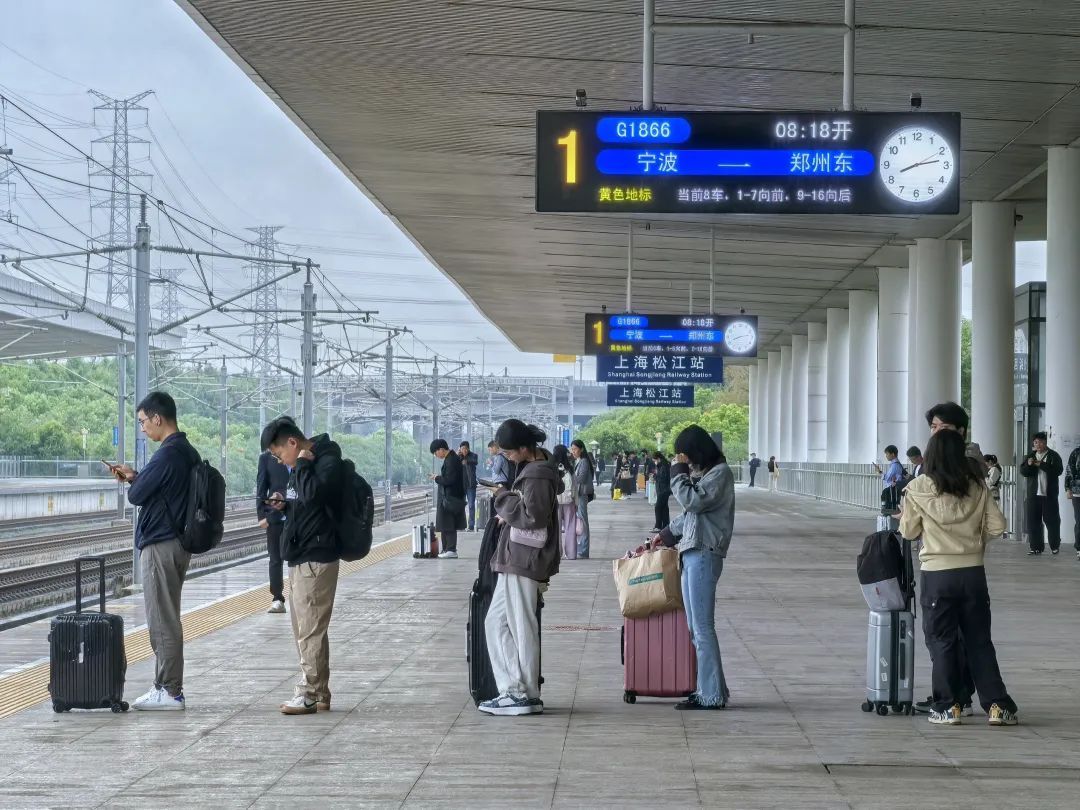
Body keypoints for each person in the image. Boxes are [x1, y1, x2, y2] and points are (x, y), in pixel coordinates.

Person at [898, 429, 1018, 727]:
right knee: (979, 641)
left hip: (937, 575)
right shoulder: (977, 486)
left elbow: (908, 532)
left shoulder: (918, 487)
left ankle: (947, 706)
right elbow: (997, 526)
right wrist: (973, 543)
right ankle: (998, 707)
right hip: (973, 573)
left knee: (942, 641)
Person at [110, 391, 199, 711]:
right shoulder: (187, 451)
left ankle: (169, 690)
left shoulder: (167, 454)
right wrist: (136, 477)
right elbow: (156, 488)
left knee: (162, 619)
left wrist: (133, 481)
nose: (142, 428)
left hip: (161, 544)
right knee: (168, 615)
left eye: (143, 421)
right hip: (177, 542)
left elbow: (137, 497)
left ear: (157, 418)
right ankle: (167, 686)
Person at [260, 416, 346, 715]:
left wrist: (302, 466)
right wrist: (285, 502)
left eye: (279, 454)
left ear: (292, 442)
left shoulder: (325, 461)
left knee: (310, 630)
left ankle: (308, 693)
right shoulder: (305, 463)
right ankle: (319, 692)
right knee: (306, 629)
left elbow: (315, 495)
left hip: (316, 555)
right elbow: (305, 501)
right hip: (301, 555)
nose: (280, 460)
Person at [649, 425, 735, 710]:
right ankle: (712, 690)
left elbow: (693, 502)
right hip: (692, 552)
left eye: (684, 455)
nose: (682, 461)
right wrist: (664, 535)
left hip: (705, 553)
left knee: (702, 627)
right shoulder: (708, 475)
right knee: (695, 626)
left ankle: (711, 695)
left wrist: (677, 473)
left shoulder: (720, 474)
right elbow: (689, 515)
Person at [479, 420, 560, 716]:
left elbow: (533, 517)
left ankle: (519, 694)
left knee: (520, 626)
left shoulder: (537, 475)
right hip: (519, 557)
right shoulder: (537, 469)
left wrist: (502, 496)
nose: (508, 457)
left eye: (510, 452)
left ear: (525, 448)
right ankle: (519, 691)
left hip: (524, 558)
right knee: (497, 622)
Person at [256, 444, 291, 614]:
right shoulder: (266, 458)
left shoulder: (298, 456)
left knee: (298, 557)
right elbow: (261, 487)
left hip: (296, 517)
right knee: (275, 559)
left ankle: (299, 594)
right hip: (275, 518)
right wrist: (261, 515)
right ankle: (277, 598)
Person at [1019, 431, 1064, 556]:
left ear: (1045, 443)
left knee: (1052, 521)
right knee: (1033, 521)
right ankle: (1036, 547)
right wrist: (1029, 465)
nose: (1038, 445)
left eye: (1041, 442)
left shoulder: (1053, 455)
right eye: (1036, 442)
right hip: (1033, 495)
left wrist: (1042, 464)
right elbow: (1023, 472)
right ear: (1033, 443)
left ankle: (1054, 546)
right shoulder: (1030, 456)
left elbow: (1058, 471)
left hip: (1049, 495)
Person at [925, 402, 987, 478]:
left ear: (960, 431)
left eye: (944, 427)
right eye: (934, 427)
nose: (937, 432)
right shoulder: (932, 455)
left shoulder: (971, 459)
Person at [430, 439, 467, 559]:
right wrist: (438, 477)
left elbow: (450, 480)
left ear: (441, 449)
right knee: (445, 523)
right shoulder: (450, 458)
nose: (436, 455)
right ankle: (446, 549)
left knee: (449, 523)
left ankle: (451, 549)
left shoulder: (451, 460)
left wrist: (437, 478)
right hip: (448, 496)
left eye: (435, 453)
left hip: (450, 497)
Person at [570, 439, 594, 558]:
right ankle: (581, 549)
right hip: (578, 494)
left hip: (581, 495)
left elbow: (581, 478)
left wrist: (569, 476)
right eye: (572, 449)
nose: (573, 451)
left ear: (581, 449)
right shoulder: (578, 461)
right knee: (580, 521)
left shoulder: (584, 461)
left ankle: (584, 550)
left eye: (575, 449)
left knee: (583, 522)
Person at [553, 444, 577, 559]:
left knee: (555, 528)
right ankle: (571, 554)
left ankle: (557, 553)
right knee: (570, 526)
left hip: (555, 501)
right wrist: (576, 501)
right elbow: (575, 486)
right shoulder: (570, 468)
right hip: (569, 500)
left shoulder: (551, 467)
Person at [459, 441, 479, 532]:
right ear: (460, 449)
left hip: (471, 485)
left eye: (466, 448)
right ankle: (461, 525)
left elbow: (475, 461)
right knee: (461, 505)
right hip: (461, 485)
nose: (464, 450)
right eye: (462, 448)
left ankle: (471, 526)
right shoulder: (458, 457)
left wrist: (466, 462)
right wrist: (457, 455)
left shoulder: (473, 456)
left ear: (468, 448)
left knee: (471, 505)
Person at [1065, 445, 1080, 561]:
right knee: (1079, 521)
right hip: (1078, 492)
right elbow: (1069, 471)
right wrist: (1068, 489)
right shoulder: (1076, 452)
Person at [651, 451, 672, 531]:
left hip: (663, 490)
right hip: (664, 489)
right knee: (664, 508)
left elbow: (662, 478)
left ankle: (658, 526)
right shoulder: (663, 465)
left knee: (658, 507)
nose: (655, 462)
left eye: (655, 460)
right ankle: (665, 526)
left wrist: (655, 476)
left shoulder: (663, 466)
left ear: (658, 459)